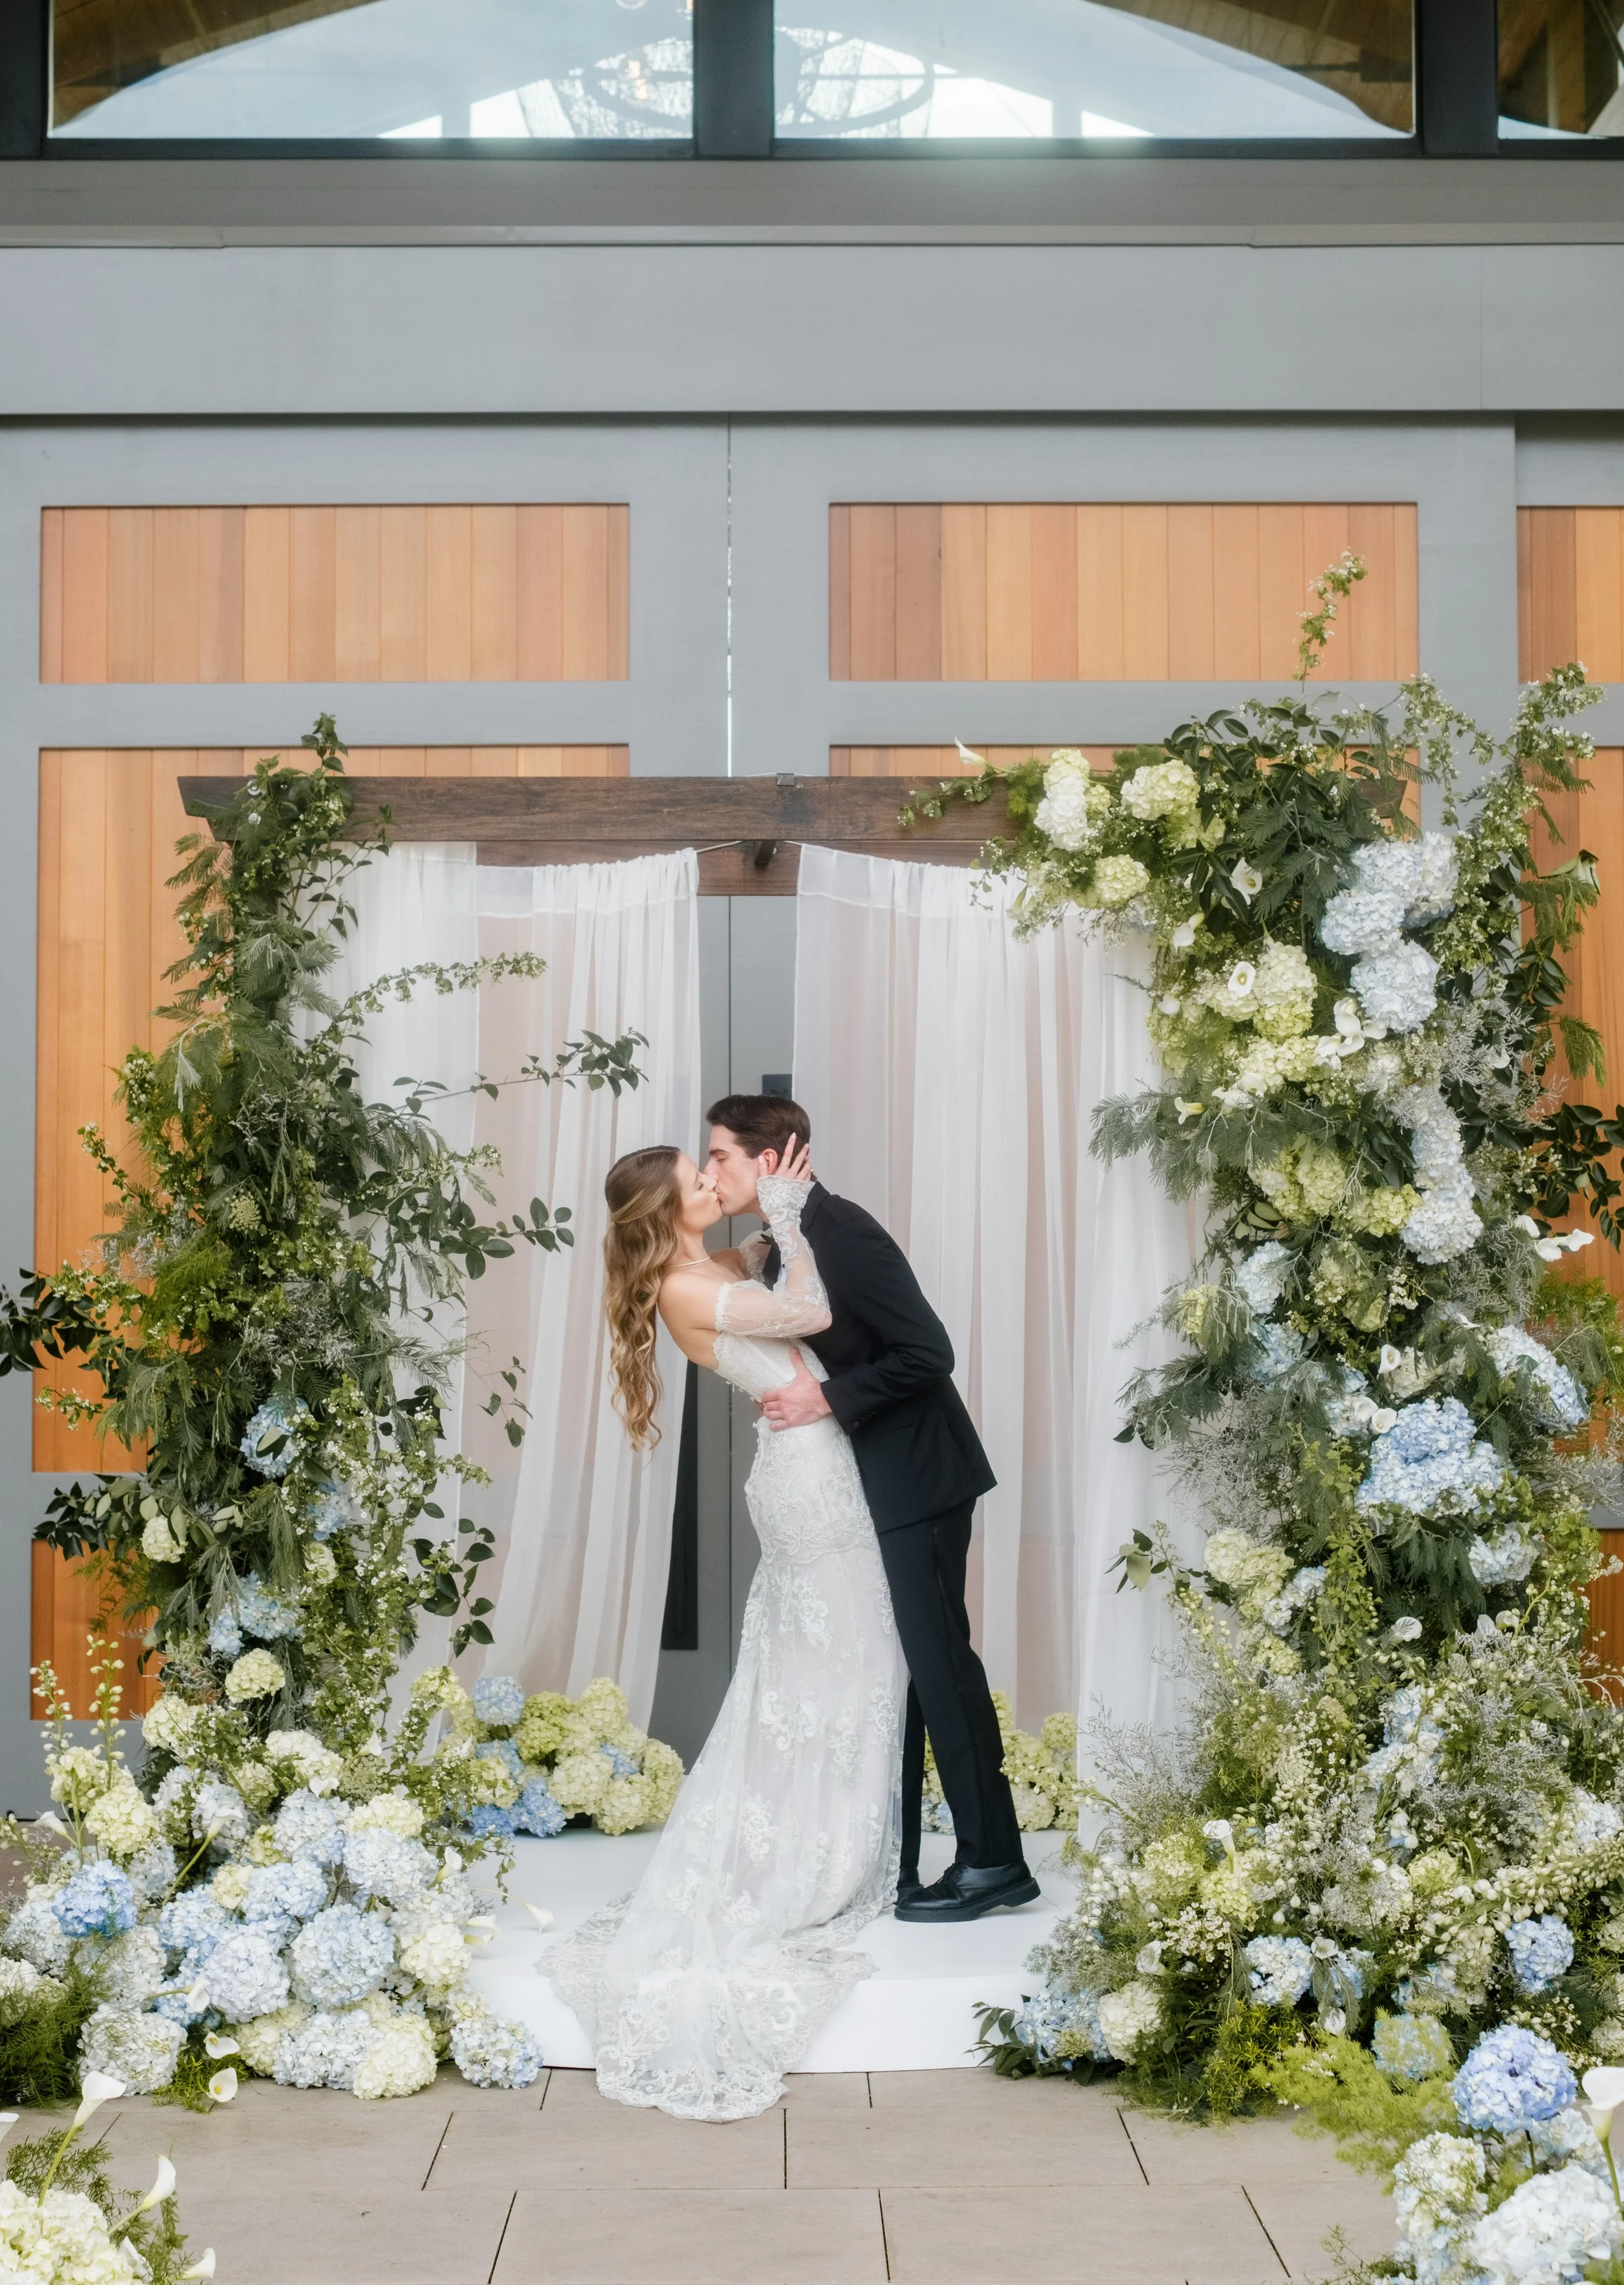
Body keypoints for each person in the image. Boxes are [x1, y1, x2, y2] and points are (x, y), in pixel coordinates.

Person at [542, 1133, 908, 2121]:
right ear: (667, 1211)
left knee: (836, 1660)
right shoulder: (687, 1288)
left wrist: (773, 1210)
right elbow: (813, 1311)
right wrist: (783, 1210)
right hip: (810, 1481)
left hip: (813, 1468)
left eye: (710, 1169)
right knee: (836, 1660)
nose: (712, 1182)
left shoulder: (706, 1266)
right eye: (695, 1180)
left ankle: (833, 1830)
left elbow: (754, 1260)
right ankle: (814, 1855)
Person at [704, 1094, 1033, 1925]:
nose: (710, 1172)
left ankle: (993, 1860)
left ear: (769, 1159)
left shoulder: (844, 1231)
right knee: (910, 1675)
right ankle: (904, 1860)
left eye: (720, 1155)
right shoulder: (786, 1235)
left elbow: (929, 1350)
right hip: (872, 1484)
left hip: (919, 1478)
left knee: (940, 1667)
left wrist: (827, 1399)